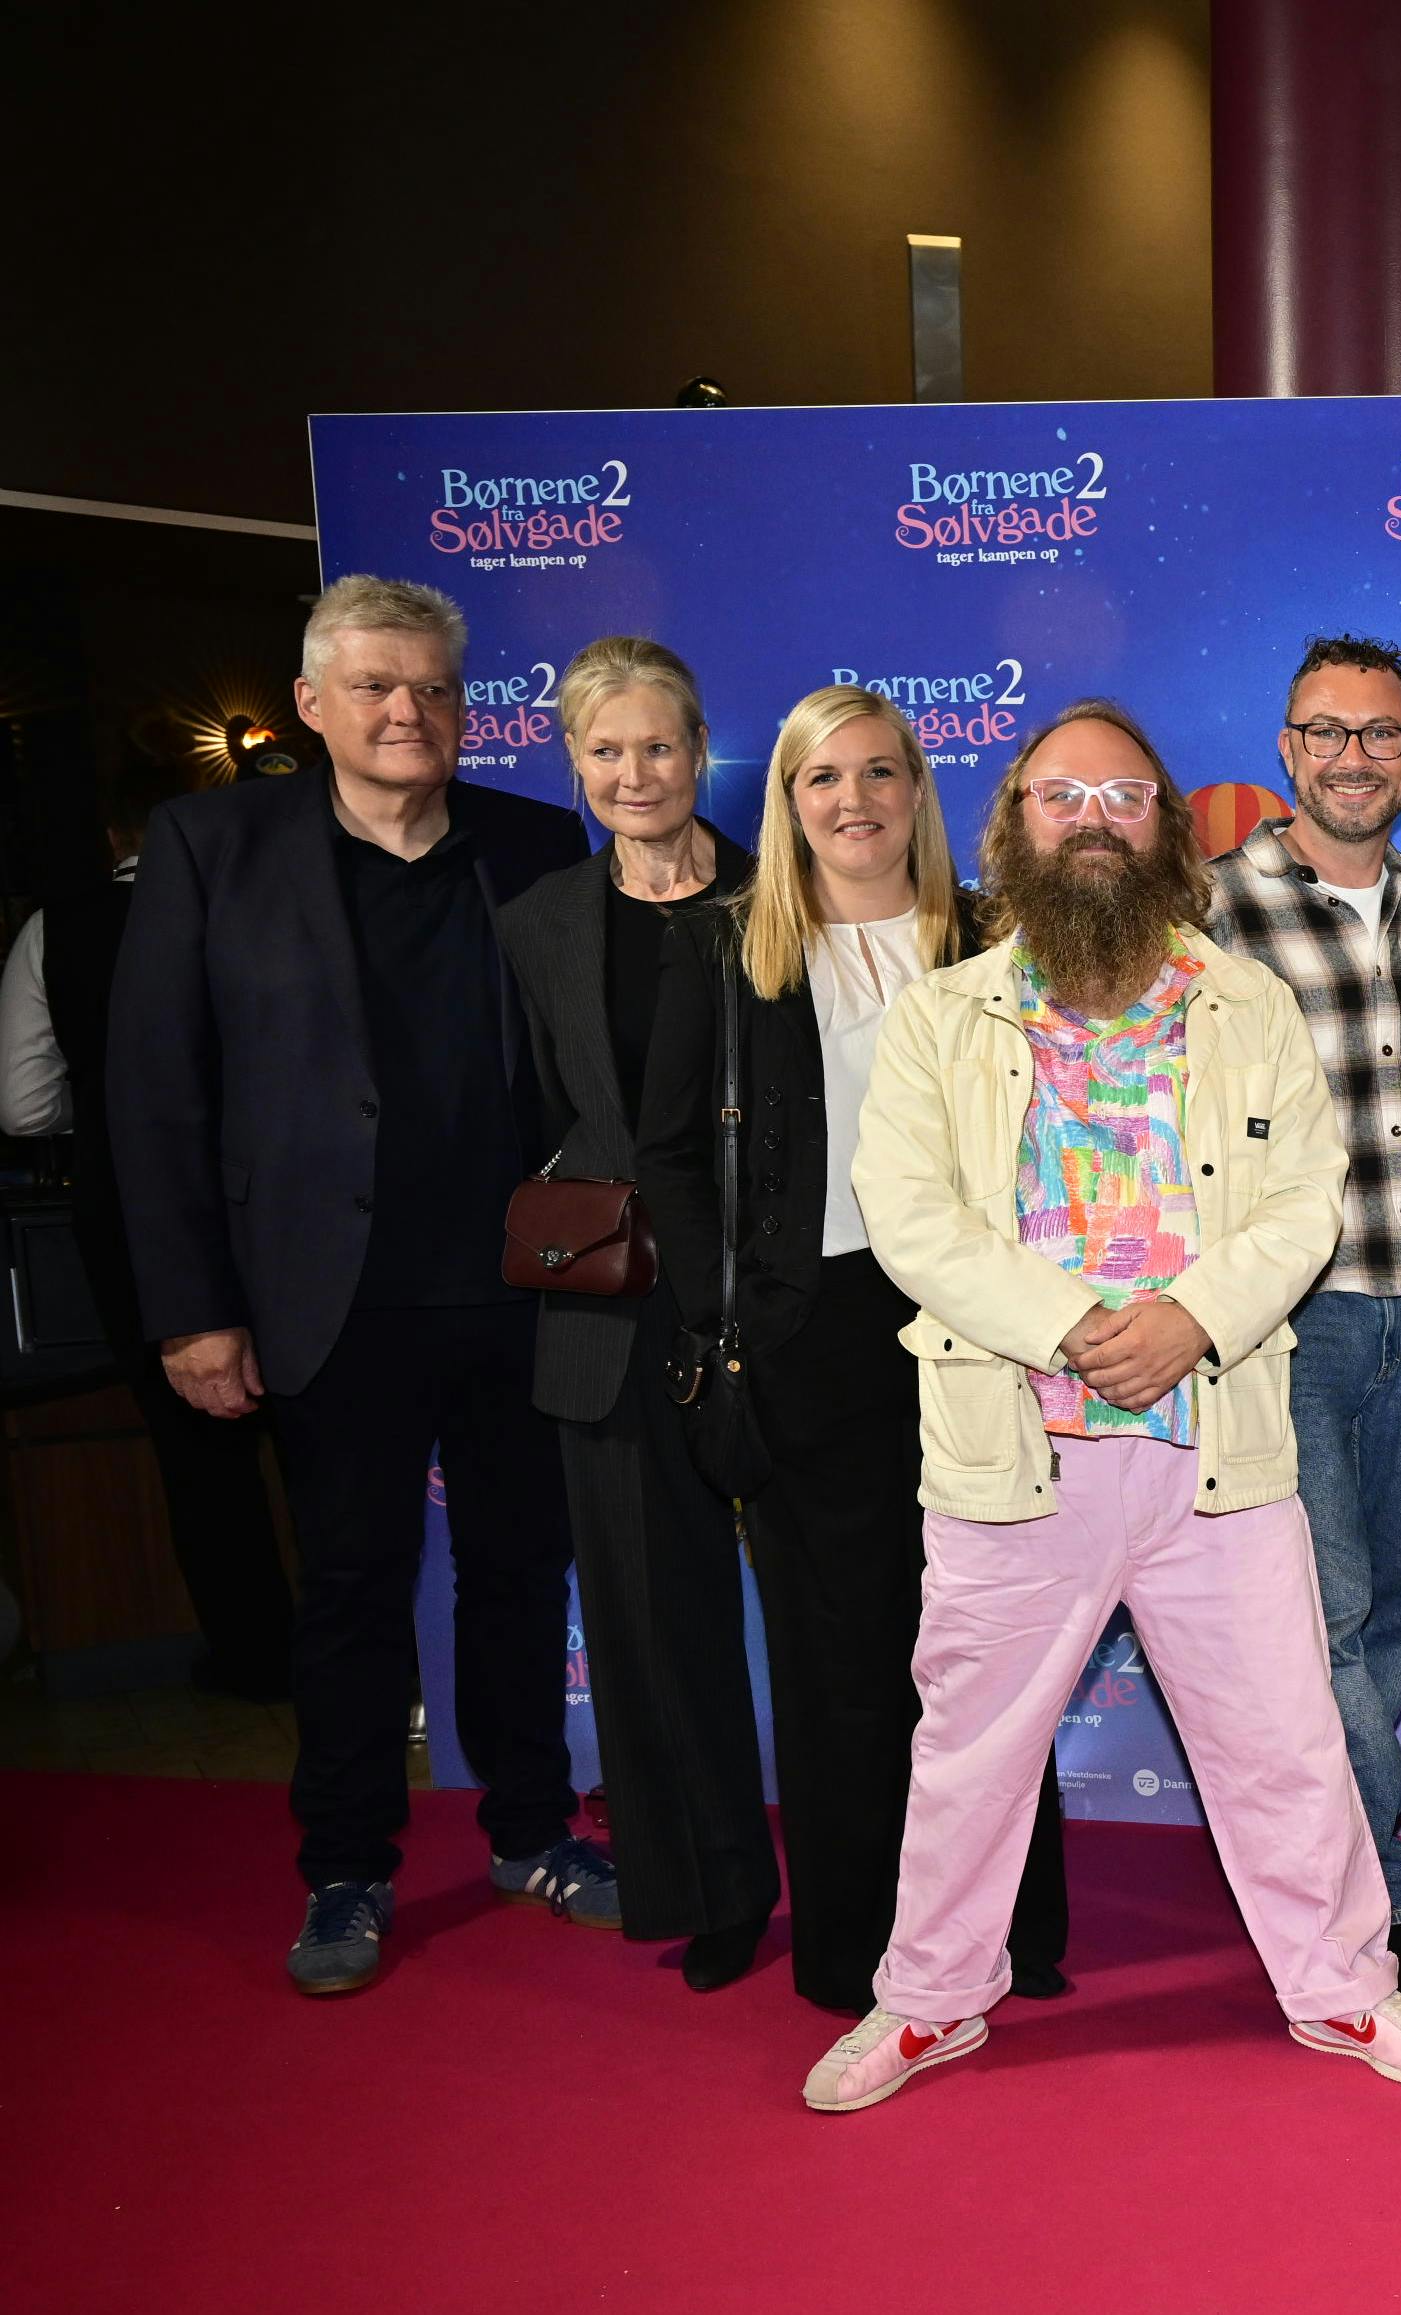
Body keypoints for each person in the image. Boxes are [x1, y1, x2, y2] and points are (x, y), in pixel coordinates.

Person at [801, 699, 1401, 2114]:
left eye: (1123, 795)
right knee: (968, 1749)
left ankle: (1345, 1983)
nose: (1093, 818)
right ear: (1012, 826)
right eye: (1061, 796)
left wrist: (1187, 1322)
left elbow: (1302, 1205)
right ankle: (926, 2001)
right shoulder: (942, 1012)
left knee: (1285, 1734)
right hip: (1013, 1450)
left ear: (1166, 825)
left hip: (1214, 1443)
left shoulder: (1248, 1001)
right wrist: (1079, 1327)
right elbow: (908, 1216)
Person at [110, 575, 606, 1996]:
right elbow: (156, 1095)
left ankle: (530, 1830)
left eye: (435, 689)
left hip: (520, 1290)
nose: (408, 712)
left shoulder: (530, 840)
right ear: (315, 702)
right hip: (324, 1299)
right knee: (349, 1587)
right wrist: (193, 1308)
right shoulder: (214, 844)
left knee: (522, 1573)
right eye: (377, 687)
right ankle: (347, 1866)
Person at [635, 683, 1070, 2017]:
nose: (853, 800)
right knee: (838, 1659)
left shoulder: (995, 937)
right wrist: (733, 1324)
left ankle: (1013, 1935)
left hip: (984, 1328)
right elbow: (668, 1160)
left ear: (916, 791)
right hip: (809, 1331)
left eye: (879, 772)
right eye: (822, 778)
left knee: (997, 1649)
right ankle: (852, 1948)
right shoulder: (727, 948)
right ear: (786, 798)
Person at [498, 636, 773, 1991]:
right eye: (605, 751)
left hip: (785, 1305)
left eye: (657, 746)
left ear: (700, 747)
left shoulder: (787, 894)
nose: (634, 772)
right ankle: (707, 1882)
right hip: (612, 1317)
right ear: (573, 763)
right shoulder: (538, 921)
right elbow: (523, 1106)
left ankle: (877, 1878)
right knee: (653, 1626)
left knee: (841, 1611)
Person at [1206, 634, 1401, 2024]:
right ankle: (1381, 1905)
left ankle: (1335, 1858)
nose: (1353, 757)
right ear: (1287, 745)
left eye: (1381, 734)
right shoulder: (1211, 910)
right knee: (1333, 1614)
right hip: (1279, 1328)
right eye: (1326, 732)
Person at [2, 735, 295, 1699]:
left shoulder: (59, 926)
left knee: (197, 1453)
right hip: (280, 1199)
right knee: (322, 1438)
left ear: (117, 830)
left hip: (128, 1207)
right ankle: (363, 1654)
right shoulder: (263, 905)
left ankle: (254, 1657)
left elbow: (23, 1105)